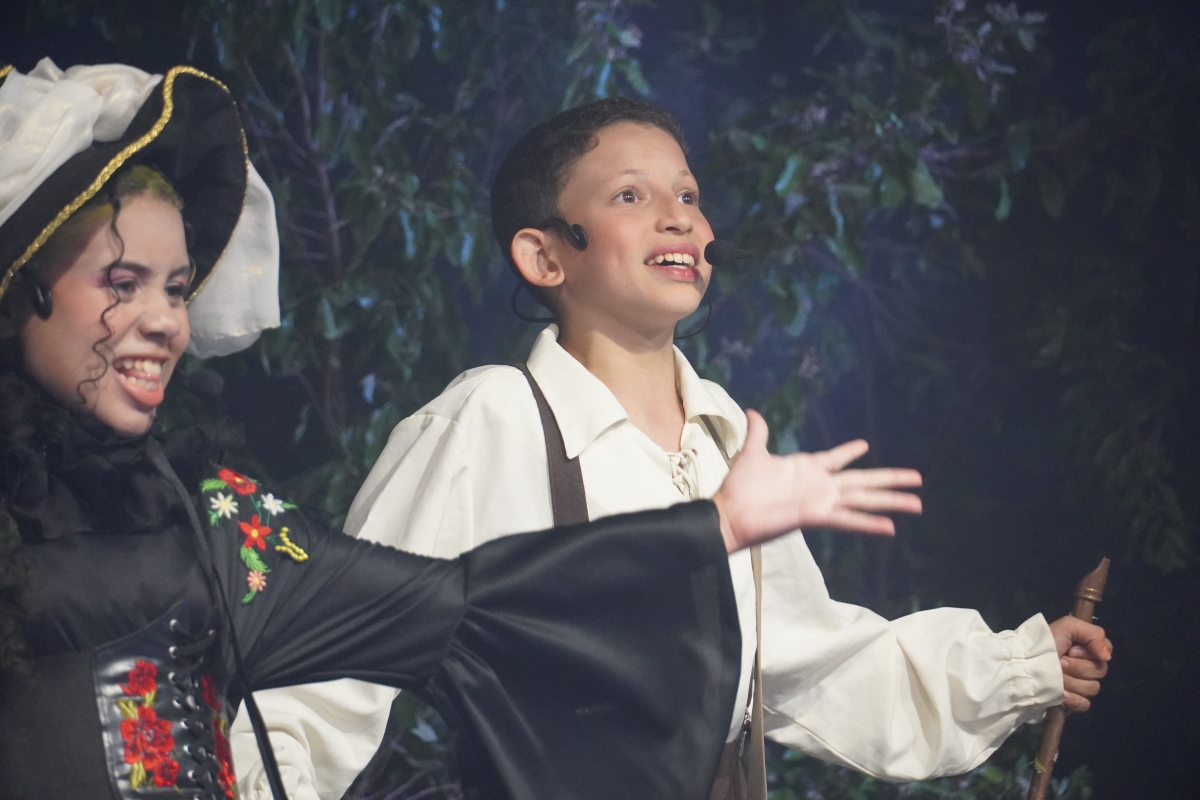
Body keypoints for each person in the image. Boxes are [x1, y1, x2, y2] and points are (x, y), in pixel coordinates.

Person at [0, 61, 924, 800]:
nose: (165, 321)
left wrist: (715, 525)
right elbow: (321, 705)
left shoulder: (207, 514)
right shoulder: (486, 417)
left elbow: (468, 603)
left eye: (176, 288)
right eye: (121, 283)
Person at [232, 97, 1113, 800]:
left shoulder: (725, 435)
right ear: (544, 256)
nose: (679, 221)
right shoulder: (491, 422)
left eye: (688, 197)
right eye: (631, 196)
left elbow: (817, 663)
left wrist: (1020, 665)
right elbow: (326, 666)